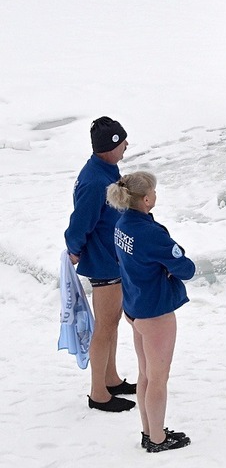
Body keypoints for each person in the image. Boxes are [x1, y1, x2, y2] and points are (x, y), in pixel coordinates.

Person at [108, 171, 195, 453]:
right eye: (154, 192)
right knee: (158, 377)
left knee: (145, 374)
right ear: (146, 199)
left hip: (134, 306)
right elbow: (186, 268)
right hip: (155, 311)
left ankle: (150, 431)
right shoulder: (149, 233)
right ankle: (158, 439)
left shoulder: (122, 224)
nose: (156, 195)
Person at [65, 117, 136, 413]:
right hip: (103, 261)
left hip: (112, 256)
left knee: (112, 322)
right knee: (104, 326)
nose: (126, 146)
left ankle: (111, 378)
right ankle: (98, 394)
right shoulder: (95, 180)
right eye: (122, 142)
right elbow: (81, 221)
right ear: (110, 146)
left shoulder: (106, 168)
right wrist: (74, 249)